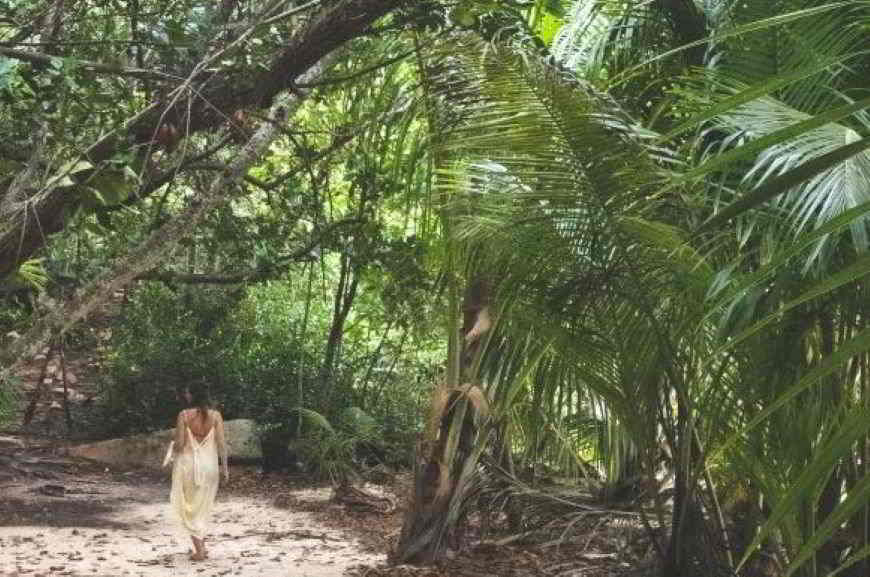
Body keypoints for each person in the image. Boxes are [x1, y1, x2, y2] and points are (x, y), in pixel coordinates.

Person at [168, 381, 229, 561]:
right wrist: (225, 468)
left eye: (187, 393)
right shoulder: (216, 416)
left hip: (189, 466)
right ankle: (201, 546)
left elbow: (179, 445)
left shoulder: (184, 415)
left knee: (189, 508)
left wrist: (171, 448)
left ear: (192, 395)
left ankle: (200, 551)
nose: (185, 395)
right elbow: (222, 445)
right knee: (202, 507)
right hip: (209, 467)